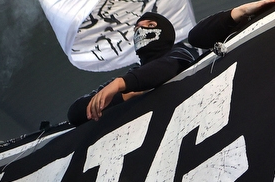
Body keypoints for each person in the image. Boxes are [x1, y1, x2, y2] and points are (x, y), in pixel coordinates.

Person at [67, 12, 201, 125]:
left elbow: (168, 68)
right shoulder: (133, 75)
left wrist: (121, 85)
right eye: (137, 29)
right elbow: (75, 112)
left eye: (150, 25)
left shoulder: (181, 52)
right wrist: (126, 95)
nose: (141, 30)